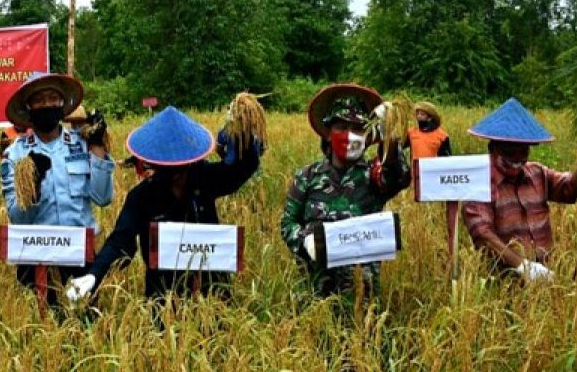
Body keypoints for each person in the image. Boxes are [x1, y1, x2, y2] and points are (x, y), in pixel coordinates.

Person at [66, 106, 263, 304]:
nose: (174, 170)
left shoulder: (206, 178)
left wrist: (242, 135)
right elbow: (121, 241)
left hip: (212, 296)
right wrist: (94, 274)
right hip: (163, 298)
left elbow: (239, 170)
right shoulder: (143, 196)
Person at [279, 84, 411, 299]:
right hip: (314, 291)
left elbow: (399, 176)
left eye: (358, 129)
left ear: (367, 135)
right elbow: (287, 223)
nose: (350, 136)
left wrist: (391, 140)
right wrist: (305, 240)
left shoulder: (373, 175)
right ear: (328, 133)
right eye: (341, 127)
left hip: (362, 295)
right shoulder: (307, 176)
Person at [1, 74, 113, 304]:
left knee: (87, 330)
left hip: (81, 257)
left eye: (53, 98)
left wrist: (98, 147)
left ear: (62, 104)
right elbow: (17, 218)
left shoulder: (81, 144)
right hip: (35, 260)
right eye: (39, 100)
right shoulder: (16, 154)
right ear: (29, 107)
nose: (47, 104)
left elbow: (102, 198)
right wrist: (32, 186)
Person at [462, 98, 577, 281]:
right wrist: (523, 266)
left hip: (546, 276)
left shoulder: (537, 173)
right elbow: (483, 234)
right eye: (510, 149)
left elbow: (572, 187)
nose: (518, 157)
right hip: (504, 283)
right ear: (493, 148)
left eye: (523, 150)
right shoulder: (479, 183)